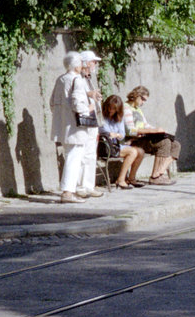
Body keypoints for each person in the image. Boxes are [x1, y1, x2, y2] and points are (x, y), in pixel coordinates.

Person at [51, 52, 98, 203]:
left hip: (62, 125)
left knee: (70, 156)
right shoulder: (77, 79)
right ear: (77, 66)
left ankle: (68, 190)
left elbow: (52, 102)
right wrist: (89, 108)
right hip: (75, 127)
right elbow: (78, 104)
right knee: (74, 158)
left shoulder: (60, 79)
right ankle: (67, 192)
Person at [124, 86, 181, 185]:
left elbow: (146, 125)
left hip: (144, 138)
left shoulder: (138, 110)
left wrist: (157, 130)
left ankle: (160, 172)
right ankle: (155, 177)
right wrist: (151, 131)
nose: (143, 102)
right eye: (143, 99)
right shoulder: (126, 108)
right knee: (164, 143)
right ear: (136, 95)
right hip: (134, 140)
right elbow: (130, 130)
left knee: (175, 144)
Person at [74, 50, 104, 198]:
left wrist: (95, 96)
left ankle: (88, 185)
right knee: (82, 153)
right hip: (83, 120)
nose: (95, 64)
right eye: (93, 62)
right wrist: (89, 95)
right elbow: (73, 96)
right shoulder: (76, 78)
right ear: (85, 63)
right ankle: (79, 186)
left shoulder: (89, 78)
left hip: (93, 119)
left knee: (91, 154)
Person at [99, 94, 145, 189]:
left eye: (114, 109)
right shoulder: (102, 116)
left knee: (140, 151)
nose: (111, 110)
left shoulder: (119, 117)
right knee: (132, 152)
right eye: (109, 108)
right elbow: (105, 131)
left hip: (115, 145)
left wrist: (116, 135)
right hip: (105, 146)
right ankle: (121, 180)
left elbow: (122, 134)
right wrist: (114, 135)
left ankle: (131, 179)